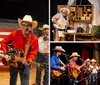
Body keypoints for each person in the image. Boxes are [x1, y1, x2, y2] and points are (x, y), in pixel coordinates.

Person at [1, 15, 38, 85]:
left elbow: (33, 53)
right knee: (12, 80)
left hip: (25, 63)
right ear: (21, 25)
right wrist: (6, 53)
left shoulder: (34, 39)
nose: (25, 27)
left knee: (25, 82)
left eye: (28, 25)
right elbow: (3, 42)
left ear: (31, 27)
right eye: (23, 25)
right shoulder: (14, 34)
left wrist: (29, 59)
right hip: (13, 62)